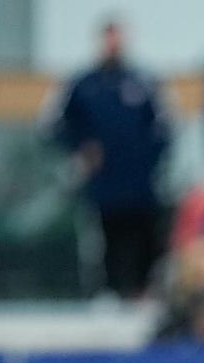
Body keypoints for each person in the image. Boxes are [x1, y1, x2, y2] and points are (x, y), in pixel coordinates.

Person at [42, 18, 171, 298]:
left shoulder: (143, 81)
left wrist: (150, 162)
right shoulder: (82, 84)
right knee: (103, 240)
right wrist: (81, 150)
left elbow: (164, 127)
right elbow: (53, 125)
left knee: (143, 237)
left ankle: (141, 291)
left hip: (140, 182)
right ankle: (105, 292)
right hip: (101, 183)